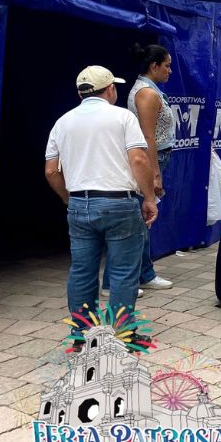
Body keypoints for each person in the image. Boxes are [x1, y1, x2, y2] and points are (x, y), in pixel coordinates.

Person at [45, 66, 157, 352]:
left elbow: (51, 171)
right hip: (119, 203)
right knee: (122, 272)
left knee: (82, 271)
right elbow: (139, 160)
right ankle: (122, 334)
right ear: (110, 89)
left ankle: (82, 334)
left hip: (80, 204)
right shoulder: (123, 117)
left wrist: (68, 198)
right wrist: (148, 198)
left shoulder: (62, 122)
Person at [107, 44, 174, 293]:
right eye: (166, 65)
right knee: (136, 222)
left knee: (144, 220)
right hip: (148, 161)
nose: (169, 71)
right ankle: (113, 282)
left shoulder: (151, 90)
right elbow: (147, 137)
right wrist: (154, 174)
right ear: (153, 66)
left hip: (155, 159)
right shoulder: (146, 93)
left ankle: (145, 273)